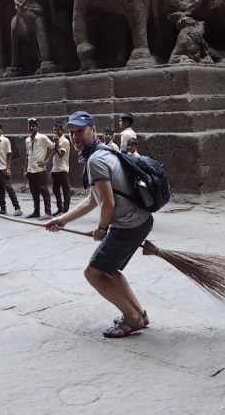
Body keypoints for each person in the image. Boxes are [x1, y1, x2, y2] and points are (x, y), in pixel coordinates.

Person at [45, 110, 153, 339]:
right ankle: (139, 314)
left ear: (93, 131)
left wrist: (102, 229)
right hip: (139, 221)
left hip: (128, 224)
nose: (75, 137)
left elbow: (108, 204)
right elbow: (93, 199)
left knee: (93, 273)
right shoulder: (103, 152)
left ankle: (131, 318)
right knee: (109, 270)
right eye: (72, 132)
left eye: (80, 131)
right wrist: (62, 219)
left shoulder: (96, 160)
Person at [0, 121, 22, 216]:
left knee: (9, 188)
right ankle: (3, 208)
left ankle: (17, 208)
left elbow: (9, 154)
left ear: (1, 130)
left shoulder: (5, 140)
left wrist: (8, 168)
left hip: (3, 167)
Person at [24, 118, 55, 220]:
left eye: (33, 126)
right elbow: (27, 155)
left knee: (44, 191)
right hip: (30, 170)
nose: (31, 128)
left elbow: (53, 147)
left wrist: (47, 160)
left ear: (37, 127)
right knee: (34, 192)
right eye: (30, 126)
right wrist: (25, 169)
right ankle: (36, 211)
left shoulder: (43, 138)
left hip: (40, 170)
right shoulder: (27, 140)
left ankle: (48, 212)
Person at [50, 121, 71, 216]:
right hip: (56, 168)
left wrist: (57, 143)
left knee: (66, 190)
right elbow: (54, 156)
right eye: (54, 130)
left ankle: (65, 210)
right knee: (55, 189)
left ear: (62, 130)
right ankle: (60, 208)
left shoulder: (64, 141)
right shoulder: (56, 141)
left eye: (58, 130)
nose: (56, 132)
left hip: (63, 168)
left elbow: (60, 154)